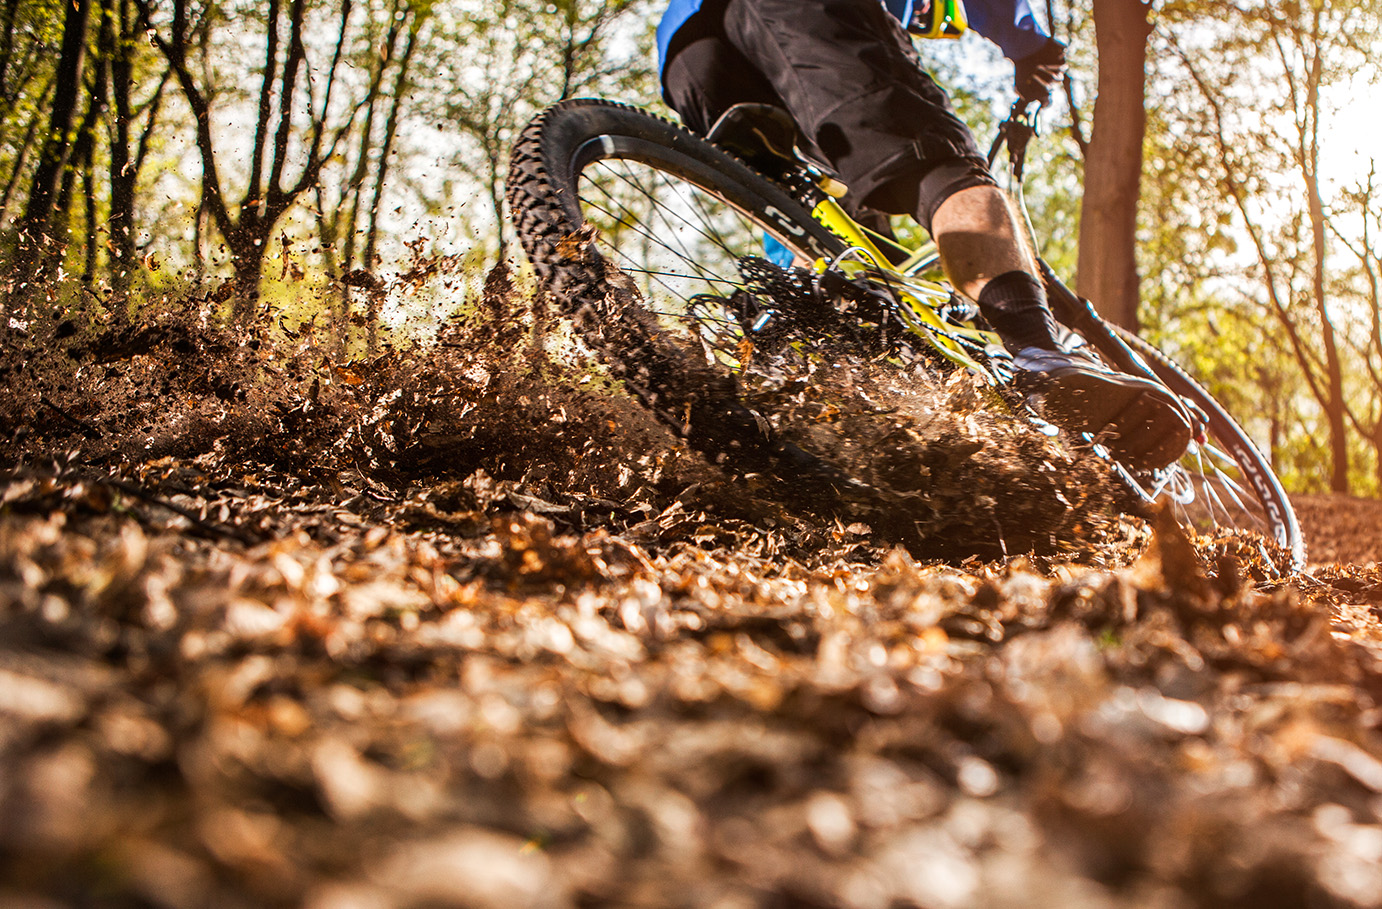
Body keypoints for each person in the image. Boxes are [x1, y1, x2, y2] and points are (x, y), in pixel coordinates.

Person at [653, 0, 1192, 470]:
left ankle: (803, 406)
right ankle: (1040, 355)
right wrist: (1029, 44)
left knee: (830, 246)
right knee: (938, 164)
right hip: (803, 13)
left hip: (689, 55)